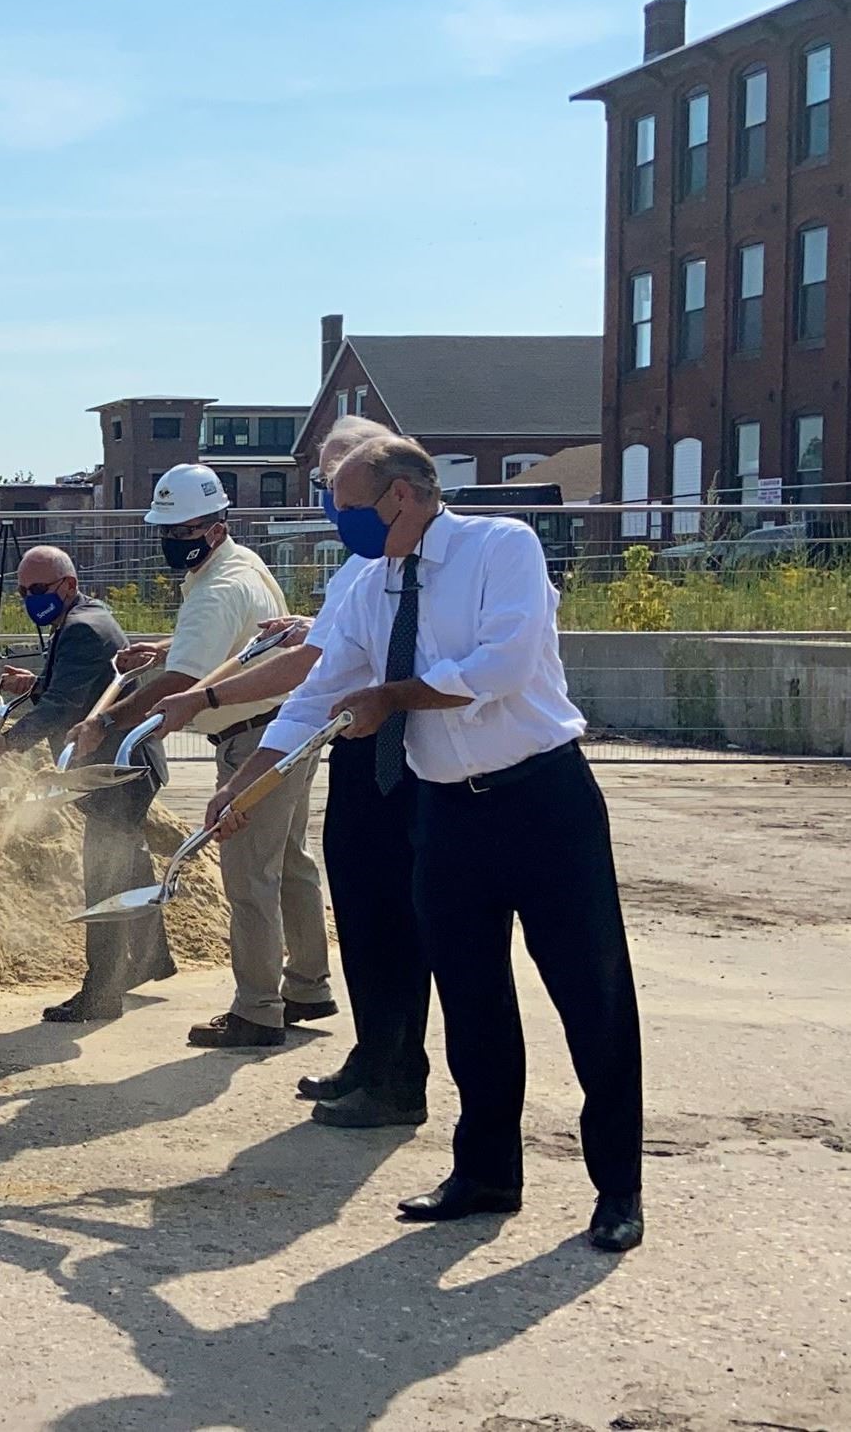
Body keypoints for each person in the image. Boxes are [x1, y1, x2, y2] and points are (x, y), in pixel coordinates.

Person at [213, 434, 645, 1253]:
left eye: (348, 506)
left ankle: (615, 1189)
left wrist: (392, 696)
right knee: (471, 1002)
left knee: (591, 999)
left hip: (543, 803)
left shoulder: (500, 548)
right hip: (446, 816)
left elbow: (504, 666)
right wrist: (243, 786)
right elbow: (316, 696)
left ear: (402, 497)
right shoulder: (373, 587)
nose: (340, 521)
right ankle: (485, 1174)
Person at [144, 417, 432, 1127]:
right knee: (309, 877)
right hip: (307, 737)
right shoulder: (343, 569)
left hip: (374, 754)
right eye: (323, 486)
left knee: (257, 880)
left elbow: (317, 667)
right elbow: (317, 663)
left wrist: (189, 703)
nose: (329, 501)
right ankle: (331, 1013)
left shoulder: (474, 553)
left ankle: (259, 1010)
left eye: (338, 486)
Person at [70, 462, 332, 1049]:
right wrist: (164, 646)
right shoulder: (240, 565)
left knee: (249, 878)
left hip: (251, 741)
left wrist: (107, 720)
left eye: (183, 530)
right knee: (290, 861)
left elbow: (183, 682)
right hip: (286, 726)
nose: (171, 540)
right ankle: (309, 985)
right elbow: (234, 639)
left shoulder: (216, 588)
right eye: (167, 529)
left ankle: (259, 1010)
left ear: (214, 528)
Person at [0, 544, 172, 1023]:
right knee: (127, 862)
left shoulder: (82, 629)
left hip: (113, 772)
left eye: (40, 590)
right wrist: (34, 683)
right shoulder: (86, 619)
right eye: (24, 591)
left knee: (104, 876)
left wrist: (5, 746)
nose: (31, 599)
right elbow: (76, 688)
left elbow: (63, 710)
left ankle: (102, 992)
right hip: (125, 768)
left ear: (67, 585)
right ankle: (152, 958)